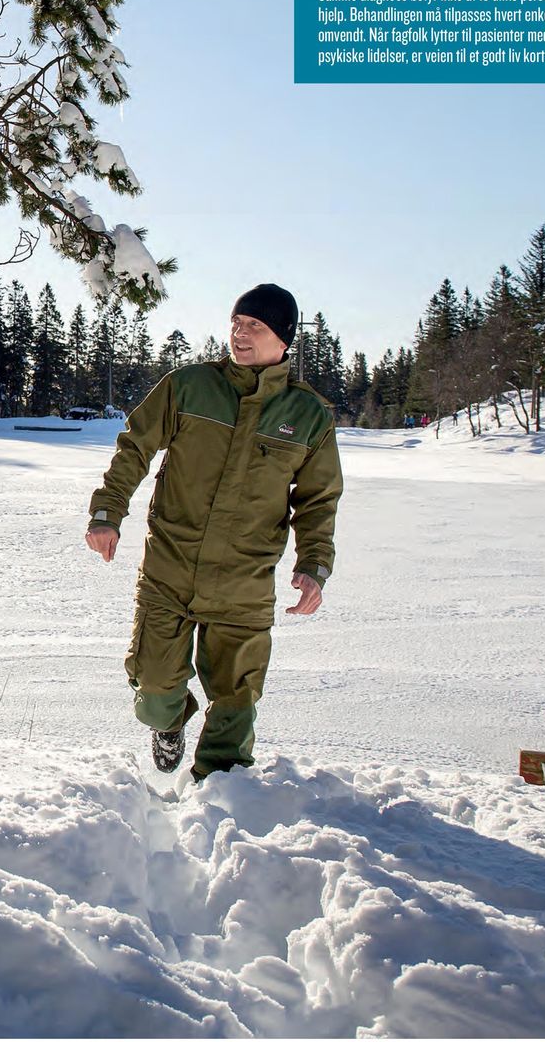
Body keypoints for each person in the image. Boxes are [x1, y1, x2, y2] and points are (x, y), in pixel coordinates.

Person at [85, 284, 343, 781]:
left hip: (244, 582)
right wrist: (107, 512)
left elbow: (318, 500)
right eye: (237, 322)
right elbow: (135, 446)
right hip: (170, 569)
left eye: (256, 327)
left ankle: (222, 803)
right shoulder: (190, 386)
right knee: (155, 693)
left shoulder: (308, 416)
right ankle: (169, 723)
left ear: (283, 340)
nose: (240, 334)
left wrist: (314, 565)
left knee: (235, 704)